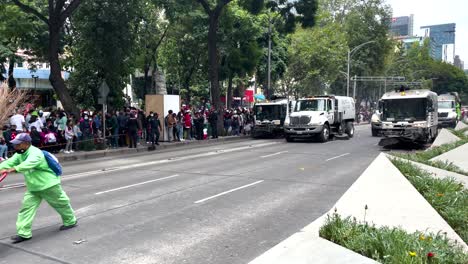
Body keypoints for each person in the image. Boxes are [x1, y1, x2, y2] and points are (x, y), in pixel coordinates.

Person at [0, 133, 77, 244]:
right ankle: (24, 233)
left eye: (18, 144)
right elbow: (8, 163)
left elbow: (28, 164)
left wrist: (12, 169)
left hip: (49, 185)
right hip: (33, 188)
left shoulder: (35, 153)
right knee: (26, 209)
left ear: (26, 144)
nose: (15, 147)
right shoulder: (20, 154)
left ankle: (70, 221)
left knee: (61, 204)